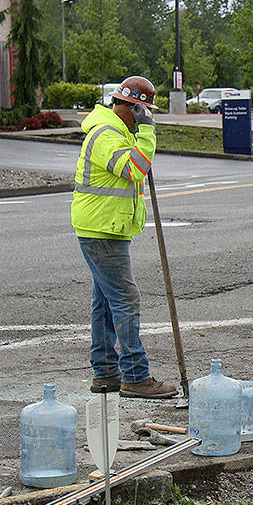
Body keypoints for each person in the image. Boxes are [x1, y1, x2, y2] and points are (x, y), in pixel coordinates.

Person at [71, 76, 178, 399]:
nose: (145, 117)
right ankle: (135, 374)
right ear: (130, 107)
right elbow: (134, 169)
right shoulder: (106, 134)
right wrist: (147, 132)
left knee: (105, 301)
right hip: (101, 229)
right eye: (143, 111)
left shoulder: (116, 131)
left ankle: (105, 372)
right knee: (124, 299)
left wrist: (139, 132)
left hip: (105, 227)